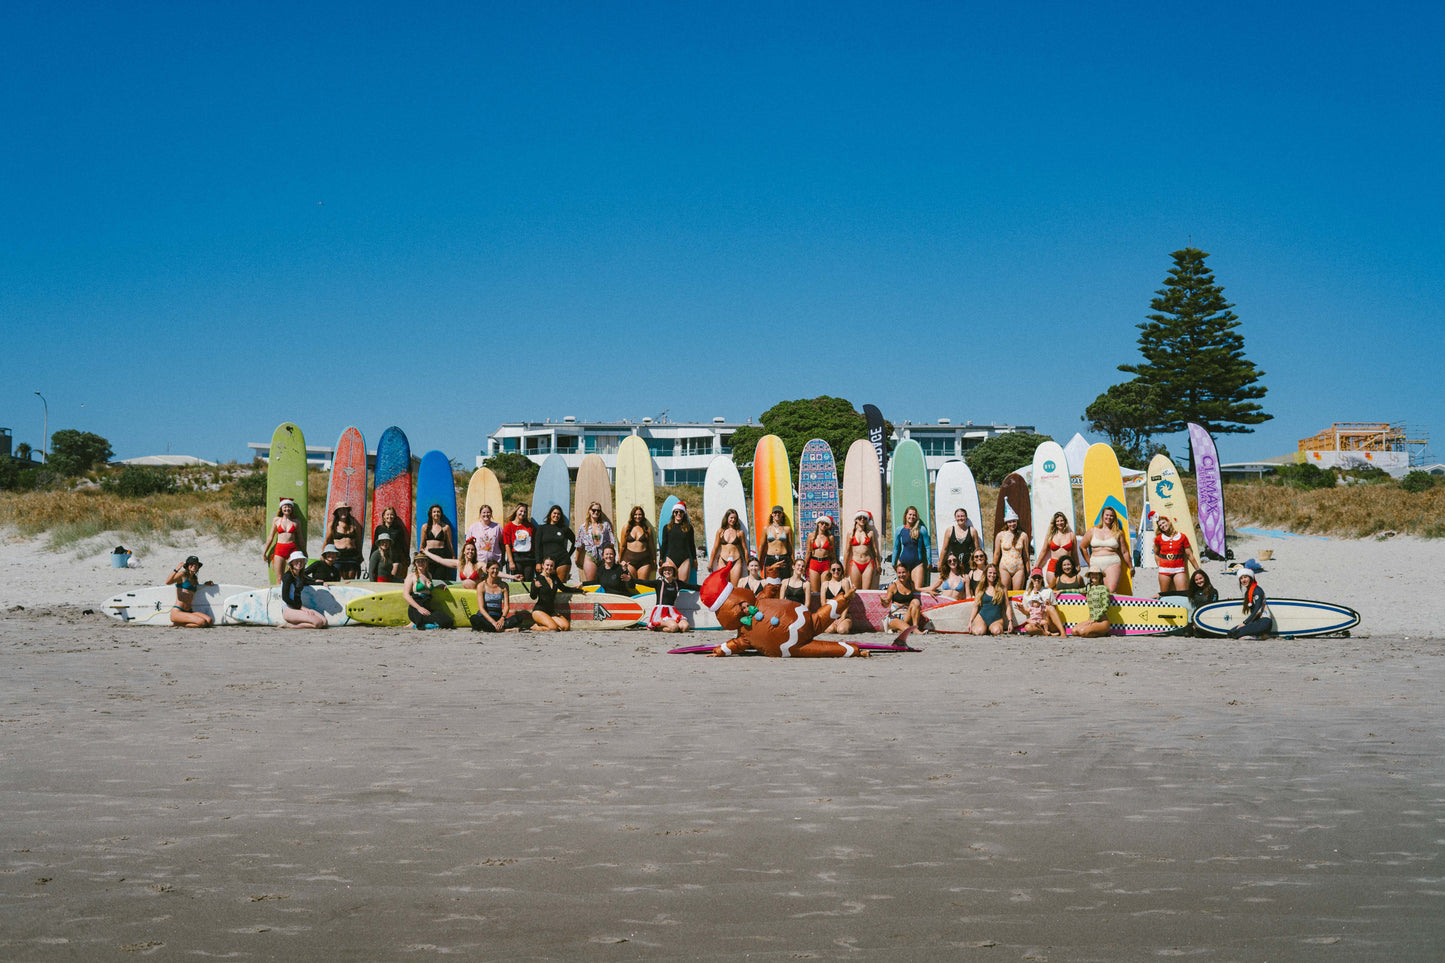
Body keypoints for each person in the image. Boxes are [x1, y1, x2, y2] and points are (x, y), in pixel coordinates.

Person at [1081, 506, 1133, 593]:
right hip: (1095, 563)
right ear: (1102, 516)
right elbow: (1082, 547)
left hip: (1112, 562)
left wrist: (1131, 567)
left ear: (1114, 518)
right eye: (1107, 515)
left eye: (1111, 516)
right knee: (1095, 591)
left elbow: (1124, 552)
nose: (1109, 517)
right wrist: (1089, 563)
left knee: (1111, 590)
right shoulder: (1092, 530)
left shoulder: (1118, 533)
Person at [469, 561, 529, 633]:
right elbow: (481, 609)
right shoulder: (481, 586)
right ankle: (504, 630)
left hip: (498, 617)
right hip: (486, 617)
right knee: (474, 618)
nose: (495, 571)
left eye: (497, 569)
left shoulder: (504, 586)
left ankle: (493, 629)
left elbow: (506, 606)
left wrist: (502, 619)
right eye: (493, 568)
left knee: (518, 618)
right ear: (487, 570)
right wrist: (494, 623)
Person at [634, 560, 691, 632]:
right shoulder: (659, 583)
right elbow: (644, 582)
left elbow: (693, 587)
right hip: (660, 613)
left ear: (673, 572)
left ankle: (667, 625)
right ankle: (657, 627)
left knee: (685, 627)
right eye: (665, 570)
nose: (667, 572)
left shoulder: (677, 584)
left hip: (672, 612)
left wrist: (707, 587)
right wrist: (631, 579)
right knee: (674, 627)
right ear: (662, 572)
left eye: (669, 570)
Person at [528, 557, 581, 631]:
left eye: (551, 566)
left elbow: (564, 588)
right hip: (539, 611)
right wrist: (535, 587)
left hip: (550, 611)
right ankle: (536, 627)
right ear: (543, 565)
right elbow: (532, 596)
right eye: (547, 565)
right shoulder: (538, 579)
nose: (549, 567)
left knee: (566, 627)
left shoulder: (554, 578)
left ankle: (546, 624)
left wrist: (580, 591)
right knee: (553, 628)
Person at [404, 551, 453, 629]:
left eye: (423, 561)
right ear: (415, 563)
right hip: (416, 608)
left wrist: (437, 587)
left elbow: (427, 590)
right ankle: (414, 624)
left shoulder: (429, 575)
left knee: (447, 621)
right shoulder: (411, 576)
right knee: (431, 624)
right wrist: (419, 608)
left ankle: (416, 624)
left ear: (426, 562)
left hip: (427, 607)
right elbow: (406, 595)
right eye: (418, 561)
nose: (421, 563)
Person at [1154, 516, 1201, 595]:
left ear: (1168, 522)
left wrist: (1197, 569)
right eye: (1160, 525)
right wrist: (1160, 566)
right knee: (1164, 595)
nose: (1162, 526)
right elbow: (1156, 554)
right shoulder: (1158, 539)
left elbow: (1189, 555)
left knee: (1183, 594)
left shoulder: (1182, 537)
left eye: (1163, 523)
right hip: (1164, 571)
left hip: (1179, 570)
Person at [280, 551, 327, 629]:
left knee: (324, 622)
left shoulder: (299, 576)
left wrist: (322, 584)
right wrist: (302, 608)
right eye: (296, 561)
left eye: (301, 561)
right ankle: (289, 625)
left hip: (298, 608)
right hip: (289, 609)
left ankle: (301, 621)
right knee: (318, 623)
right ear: (291, 562)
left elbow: (308, 581)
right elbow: (286, 598)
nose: (299, 563)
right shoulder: (287, 577)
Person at [165, 555, 213, 628]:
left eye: (196, 564)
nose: (194, 565)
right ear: (187, 565)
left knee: (209, 621)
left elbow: (194, 589)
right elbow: (168, 582)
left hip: (188, 611)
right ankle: (179, 624)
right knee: (202, 622)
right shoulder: (182, 575)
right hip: (178, 611)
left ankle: (180, 624)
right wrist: (177, 569)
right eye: (191, 564)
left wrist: (206, 584)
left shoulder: (194, 579)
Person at [966, 563, 1014, 636]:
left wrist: (1010, 621)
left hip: (996, 619)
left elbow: (1007, 606)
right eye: (990, 573)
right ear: (986, 574)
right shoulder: (980, 588)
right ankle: (981, 628)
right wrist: (970, 621)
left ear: (997, 574)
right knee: (980, 632)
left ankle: (988, 629)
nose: (992, 575)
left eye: (994, 573)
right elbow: (976, 606)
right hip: (982, 617)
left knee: (997, 631)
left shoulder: (1002, 588)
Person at [263, 498, 303, 584]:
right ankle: (280, 595)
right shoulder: (276, 520)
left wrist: (304, 552)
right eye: (285, 507)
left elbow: (300, 538)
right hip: (279, 549)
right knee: (279, 577)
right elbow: (271, 537)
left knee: (293, 575)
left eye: (289, 507)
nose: (287, 509)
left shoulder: (296, 521)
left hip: (292, 549)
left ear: (292, 509)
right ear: (281, 508)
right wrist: (265, 551)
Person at [1017, 568, 1066, 637]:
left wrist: (1047, 607)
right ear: (1031, 579)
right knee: (1028, 628)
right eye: (1035, 577)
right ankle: (1045, 633)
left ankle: (1063, 633)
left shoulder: (1048, 591)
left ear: (1042, 579)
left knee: (1050, 607)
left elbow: (1053, 610)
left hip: (1047, 621)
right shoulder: (1027, 593)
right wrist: (1022, 610)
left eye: (1039, 577)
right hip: (1035, 621)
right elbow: (1027, 612)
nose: (1037, 579)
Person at [575, 502, 615, 582]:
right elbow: (579, 546)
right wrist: (577, 559)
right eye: (594, 510)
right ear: (589, 511)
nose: (596, 512)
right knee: (592, 583)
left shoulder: (605, 525)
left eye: (598, 511)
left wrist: (613, 557)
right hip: (590, 557)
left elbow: (612, 543)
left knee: (606, 582)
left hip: (604, 557)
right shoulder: (583, 527)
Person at [658, 503, 698, 585]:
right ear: (673, 513)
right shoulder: (667, 528)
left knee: (683, 584)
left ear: (684, 514)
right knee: (670, 583)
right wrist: (661, 558)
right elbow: (664, 544)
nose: (678, 514)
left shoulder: (689, 528)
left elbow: (691, 544)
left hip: (684, 559)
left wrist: (694, 559)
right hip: (671, 558)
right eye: (676, 512)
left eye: (681, 512)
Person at [535, 505, 576, 584]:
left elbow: (575, 541)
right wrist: (538, 562)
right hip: (547, 563)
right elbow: (537, 547)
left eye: (558, 514)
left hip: (562, 561)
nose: (556, 515)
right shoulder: (542, 528)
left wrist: (568, 554)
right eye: (554, 513)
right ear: (550, 514)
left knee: (561, 587)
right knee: (546, 586)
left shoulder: (563, 529)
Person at [992, 507, 1031, 590]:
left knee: (1017, 594)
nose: (1012, 524)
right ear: (1006, 523)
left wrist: (1028, 569)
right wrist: (993, 568)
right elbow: (997, 553)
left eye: (1014, 521)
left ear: (1017, 521)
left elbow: (1025, 554)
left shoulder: (1023, 535)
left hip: (1018, 568)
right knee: (1004, 593)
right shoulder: (1000, 535)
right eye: (1009, 522)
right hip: (1004, 568)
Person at [893, 506, 930, 589]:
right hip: (902, 562)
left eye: (914, 515)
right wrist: (893, 563)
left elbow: (927, 547)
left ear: (916, 517)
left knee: (916, 590)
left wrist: (929, 562)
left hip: (917, 563)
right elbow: (896, 547)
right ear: (906, 515)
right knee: (902, 589)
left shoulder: (922, 529)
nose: (912, 517)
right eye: (910, 514)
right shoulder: (899, 529)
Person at [1038, 511, 1079, 586]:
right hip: (1053, 565)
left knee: (1066, 589)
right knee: (1053, 589)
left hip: (1067, 565)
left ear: (1065, 521)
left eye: (1061, 520)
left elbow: (1074, 553)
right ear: (1054, 523)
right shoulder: (1050, 535)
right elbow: (1043, 551)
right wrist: (1037, 565)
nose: (1060, 523)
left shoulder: (1071, 535)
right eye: (1057, 521)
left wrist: (1078, 565)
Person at [1228, 571, 1274, 639]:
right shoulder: (1249, 592)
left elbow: (1257, 609)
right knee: (1230, 633)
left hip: (1264, 622)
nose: (1243, 580)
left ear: (1250, 578)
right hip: (1256, 622)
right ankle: (1258, 636)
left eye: (1245, 577)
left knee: (1235, 634)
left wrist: (1245, 623)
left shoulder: (1257, 590)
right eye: (1241, 578)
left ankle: (1262, 636)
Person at [884, 562, 927, 634]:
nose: (901, 575)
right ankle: (914, 630)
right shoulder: (893, 586)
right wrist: (883, 601)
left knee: (916, 601)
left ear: (908, 573)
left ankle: (914, 627)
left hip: (907, 616)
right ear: (897, 574)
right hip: (895, 617)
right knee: (903, 626)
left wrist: (929, 591)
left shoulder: (910, 584)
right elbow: (886, 604)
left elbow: (918, 589)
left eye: (903, 572)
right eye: (899, 573)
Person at [324, 502, 364, 579]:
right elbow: (327, 541)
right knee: (338, 577)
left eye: (345, 510)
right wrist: (323, 554)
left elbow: (358, 541)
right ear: (337, 512)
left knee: (351, 578)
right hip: (338, 555)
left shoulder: (354, 523)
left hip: (351, 554)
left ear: (348, 511)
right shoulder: (332, 525)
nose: (343, 512)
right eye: (340, 510)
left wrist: (360, 555)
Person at [1072, 565, 1113, 637]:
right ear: (1090, 576)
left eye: (1096, 573)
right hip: (1091, 620)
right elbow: (1075, 590)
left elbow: (1106, 607)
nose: (1094, 576)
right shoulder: (1088, 588)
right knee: (1074, 631)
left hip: (1102, 622)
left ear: (1100, 576)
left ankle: (1102, 632)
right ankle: (1094, 631)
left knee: (1083, 632)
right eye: (1092, 574)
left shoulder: (1104, 588)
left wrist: (1095, 619)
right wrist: (1061, 591)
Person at [939, 508, 983, 575]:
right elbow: (944, 549)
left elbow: (977, 550)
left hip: (968, 564)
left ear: (966, 517)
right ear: (955, 518)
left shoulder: (972, 531)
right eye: (958, 516)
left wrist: (980, 565)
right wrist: (940, 563)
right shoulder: (949, 531)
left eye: (962, 516)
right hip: (953, 563)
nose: (960, 518)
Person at [844, 510, 880, 590]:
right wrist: (844, 566)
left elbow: (875, 550)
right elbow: (847, 551)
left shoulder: (870, 533)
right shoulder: (850, 533)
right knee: (856, 590)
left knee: (866, 591)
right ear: (856, 519)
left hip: (868, 563)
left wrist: (878, 564)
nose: (862, 519)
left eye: (864, 518)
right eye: (860, 518)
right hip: (855, 563)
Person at [418, 505, 455, 578]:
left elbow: (450, 544)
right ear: (431, 514)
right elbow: (422, 544)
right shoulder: (425, 527)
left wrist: (453, 556)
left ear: (441, 514)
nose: (436, 514)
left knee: (440, 577)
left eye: (438, 512)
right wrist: (419, 557)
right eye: (434, 512)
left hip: (441, 555)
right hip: (429, 554)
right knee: (428, 577)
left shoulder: (445, 527)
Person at [803, 515, 837, 596]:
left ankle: (825, 607)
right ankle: (816, 608)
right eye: (822, 523)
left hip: (826, 564)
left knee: (824, 590)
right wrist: (804, 567)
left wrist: (835, 566)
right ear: (818, 523)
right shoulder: (811, 536)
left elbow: (832, 553)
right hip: (814, 563)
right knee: (815, 592)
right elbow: (808, 552)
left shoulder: (830, 537)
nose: (824, 525)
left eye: (826, 524)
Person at [709, 508, 749, 574]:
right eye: (731, 518)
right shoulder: (720, 531)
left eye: (735, 519)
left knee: (735, 584)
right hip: (723, 560)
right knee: (723, 584)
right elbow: (715, 548)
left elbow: (745, 550)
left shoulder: (740, 532)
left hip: (736, 561)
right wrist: (710, 563)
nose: (733, 520)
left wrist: (748, 565)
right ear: (727, 518)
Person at [502, 505, 537, 581]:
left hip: (529, 558)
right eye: (521, 511)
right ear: (516, 511)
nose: (523, 513)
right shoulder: (509, 526)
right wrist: (511, 562)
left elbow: (534, 543)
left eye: (525, 512)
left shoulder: (530, 526)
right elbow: (507, 545)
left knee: (528, 582)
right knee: (517, 581)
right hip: (516, 558)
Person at [621, 506, 656, 581]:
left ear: (643, 516)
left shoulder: (647, 529)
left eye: (640, 514)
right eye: (635, 514)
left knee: (643, 584)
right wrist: (619, 560)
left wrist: (654, 560)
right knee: (631, 582)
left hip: (644, 561)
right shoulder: (626, 528)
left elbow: (651, 546)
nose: (637, 516)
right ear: (632, 515)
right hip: (629, 561)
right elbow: (622, 546)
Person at [372, 506, 408, 579]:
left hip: (395, 557)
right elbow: (374, 545)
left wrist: (407, 557)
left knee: (393, 579)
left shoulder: (398, 529)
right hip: (382, 557)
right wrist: (371, 558)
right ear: (384, 516)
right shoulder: (379, 529)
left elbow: (403, 544)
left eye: (392, 514)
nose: (390, 516)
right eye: (387, 514)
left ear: (394, 516)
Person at [819, 561, 854, 634]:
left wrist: (842, 617)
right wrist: (831, 617)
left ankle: (843, 623)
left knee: (842, 630)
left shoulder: (845, 582)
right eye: (833, 569)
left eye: (838, 569)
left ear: (841, 570)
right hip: (829, 615)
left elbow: (847, 601)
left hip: (844, 615)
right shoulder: (825, 584)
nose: (836, 571)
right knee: (830, 630)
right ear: (830, 571)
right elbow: (823, 603)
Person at [466, 504, 505, 569]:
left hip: (495, 562)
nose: (486, 514)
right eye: (484, 512)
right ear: (480, 514)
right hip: (478, 562)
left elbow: (502, 545)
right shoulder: (473, 527)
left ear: (491, 514)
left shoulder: (498, 527)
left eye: (488, 512)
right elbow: (468, 545)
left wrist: (503, 558)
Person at [761, 506, 795, 580]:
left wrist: (793, 562)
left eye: (779, 512)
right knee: (770, 583)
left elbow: (790, 546)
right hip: (770, 558)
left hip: (783, 558)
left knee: (785, 582)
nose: (777, 514)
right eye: (775, 512)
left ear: (782, 514)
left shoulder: (787, 529)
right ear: (772, 514)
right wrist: (759, 562)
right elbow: (762, 546)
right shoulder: (766, 529)